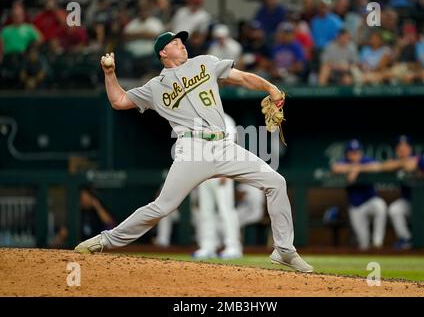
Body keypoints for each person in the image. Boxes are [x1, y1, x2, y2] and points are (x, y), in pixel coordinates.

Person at [74, 30, 314, 273]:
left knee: (276, 182)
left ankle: (284, 250)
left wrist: (270, 87)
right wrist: (110, 73)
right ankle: (106, 240)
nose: (183, 46)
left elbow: (241, 78)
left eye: (182, 42)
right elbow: (119, 101)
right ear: (163, 52)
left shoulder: (205, 63)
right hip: (192, 149)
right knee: (162, 207)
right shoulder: (155, 87)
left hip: (223, 145)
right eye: (176, 43)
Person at [193, 113, 242, 260]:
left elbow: (231, 146)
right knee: (205, 212)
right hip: (204, 172)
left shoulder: (226, 119)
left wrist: (226, 172)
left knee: (226, 210)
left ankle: (233, 247)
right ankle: (208, 246)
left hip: (221, 172)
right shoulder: (199, 121)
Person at [331, 139, 387, 250]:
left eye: (357, 152)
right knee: (363, 243)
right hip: (356, 207)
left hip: (371, 201)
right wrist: (352, 168)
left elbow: (378, 166)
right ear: (347, 153)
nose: (354, 155)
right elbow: (335, 168)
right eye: (352, 152)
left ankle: (377, 241)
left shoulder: (365, 160)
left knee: (381, 206)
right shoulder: (344, 161)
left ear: (361, 152)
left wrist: (358, 168)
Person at [51, 186, 116, 248]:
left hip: (98, 244)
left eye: (87, 196)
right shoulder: (77, 212)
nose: (85, 199)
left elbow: (109, 223)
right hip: (79, 245)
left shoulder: (98, 209)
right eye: (82, 197)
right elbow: (64, 231)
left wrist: (97, 205)